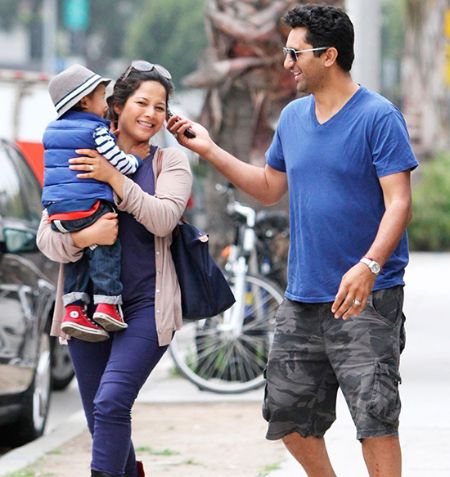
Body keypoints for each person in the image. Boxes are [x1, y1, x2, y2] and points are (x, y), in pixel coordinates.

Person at [168, 4, 418, 477]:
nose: (286, 63)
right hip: (302, 297)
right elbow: (268, 187)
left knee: (375, 418)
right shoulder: (293, 117)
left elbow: (399, 202)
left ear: (329, 55)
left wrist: (369, 266)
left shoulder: (379, 117)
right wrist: (209, 149)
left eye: (295, 53)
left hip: (366, 298)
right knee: (286, 415)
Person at [37, 60, 192, 477]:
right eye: (142, 103)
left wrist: (115, 179)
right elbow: (47, 238)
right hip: (85, 309)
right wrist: (84, 238)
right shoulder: (80, 151)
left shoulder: (169, 164)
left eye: (160, 107)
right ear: (117, 106)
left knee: (110, 402)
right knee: (101, 416)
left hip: (146, 307)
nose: (151, 114)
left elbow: (163, 219)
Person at [42, 64, 147, 342]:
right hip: (89, 206)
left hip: (57, 211)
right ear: (85, 101)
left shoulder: (51, 131)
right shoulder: (95, 130)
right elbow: (121, 164)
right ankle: (107, 303)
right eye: (102, 97)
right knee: (105, 247)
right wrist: (136, 159)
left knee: (76, 255)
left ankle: (74, 309)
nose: (106, 104)